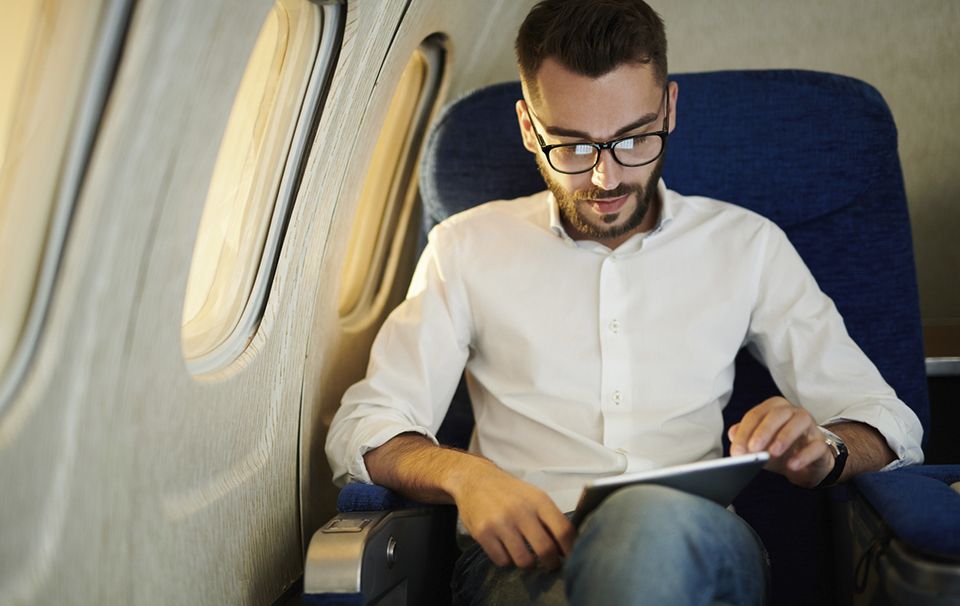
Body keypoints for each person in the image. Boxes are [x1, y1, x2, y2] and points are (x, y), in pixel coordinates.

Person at [325, 1, 925, 604]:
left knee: (651, 529)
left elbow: (888, 422)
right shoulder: (464, 247)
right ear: (530, 127)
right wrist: (465, 476)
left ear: (669, 108)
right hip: (523, 563)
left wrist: (825, 450)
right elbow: (365, 426)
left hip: (695, 543)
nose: (607, 180)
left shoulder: (748, 245)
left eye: (634, 138)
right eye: (574, 146)